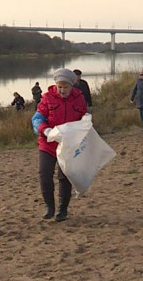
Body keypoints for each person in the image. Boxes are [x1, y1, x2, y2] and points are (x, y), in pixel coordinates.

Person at [34, 68, 87, 222]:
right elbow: (37, 118)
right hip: (48, 143)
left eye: (66, 87)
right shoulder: (47, 98)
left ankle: (62, 210)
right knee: (45, 174)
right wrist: (45, 129)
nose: (62, 90)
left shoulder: (79, 98)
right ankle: (49, 207)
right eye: (60, 87)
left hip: (68, 145)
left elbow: (83, 117)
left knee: (64, 177)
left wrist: (86, 121)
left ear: (72, 86)